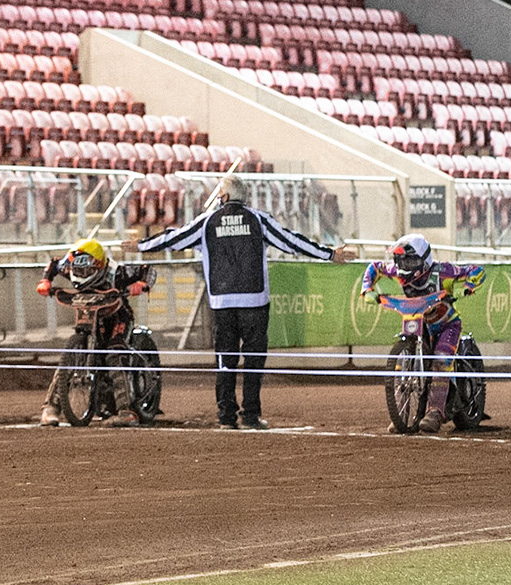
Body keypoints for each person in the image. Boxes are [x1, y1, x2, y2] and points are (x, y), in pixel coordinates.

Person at [125, 176, 356, 429]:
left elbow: (173, 239)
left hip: (222, 303)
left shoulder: (207, 222)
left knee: (225, 362)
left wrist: (141, 246)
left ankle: (226, 417)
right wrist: (330, 253)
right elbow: (291, 241)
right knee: (254, 361)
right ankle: (251, 416)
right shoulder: (258, 219)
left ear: (224, 196)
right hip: (255, 301)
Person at [359, 234, 486, 433]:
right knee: (413, 362)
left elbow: (476, 271)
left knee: (441, 360)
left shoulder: (443, 271)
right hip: (418, 324)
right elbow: (374, 267)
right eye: (401, 261)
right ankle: (403, 414)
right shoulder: (398, 271)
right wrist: (367, 289)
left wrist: (468, 288)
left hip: (447, 324)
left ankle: (435, 411)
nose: (404, 266)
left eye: (410, 261)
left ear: (424, 260)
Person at [36, 238, 157, 427]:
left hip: (117, 315)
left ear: (99, 267)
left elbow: (148, 271)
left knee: (115, 353)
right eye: (78, 270)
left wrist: (141, 284)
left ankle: (127, 411)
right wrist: (45, 280)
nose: (81, 273)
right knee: (71, 355)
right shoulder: (69, 264)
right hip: (88, 314)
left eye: (87, 270)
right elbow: (53, 263)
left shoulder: (118, 272)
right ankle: (51, 407)